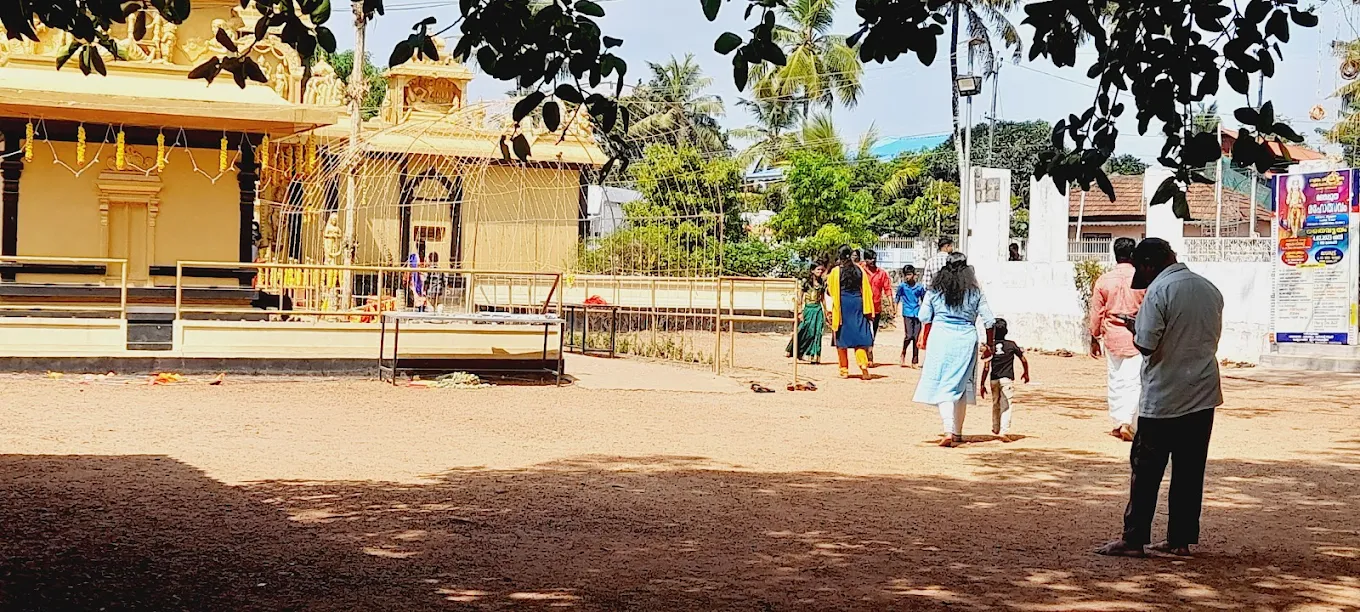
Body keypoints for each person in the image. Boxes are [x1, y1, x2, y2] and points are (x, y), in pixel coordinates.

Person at [1097, 238, 1224, 558]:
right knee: (1189, 470)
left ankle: (1134, 538)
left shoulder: (1159, 291)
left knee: (1146, 470)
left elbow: (1148, 345)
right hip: (1202, 393)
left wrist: (1136, 327)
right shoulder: (1209, 289)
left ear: (1150, 265)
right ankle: (1179, 539)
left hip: (1164, 395)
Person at [914, 252, 996, 447]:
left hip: (940, 338)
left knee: (944, 385)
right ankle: (958, 433)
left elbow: (924, 316)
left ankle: (948, 430)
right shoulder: (975, 292)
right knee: (961, 385)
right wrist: (990, 346)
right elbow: (990, 320)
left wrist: (925, 334)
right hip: (967, 339)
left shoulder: (935, 290)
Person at [1088, 237, 1146, 441]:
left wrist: (1094, 336)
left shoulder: (1104, 280)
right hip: (1138, 337)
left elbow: (1097, 312)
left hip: (1111, 336)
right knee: (1135, 381)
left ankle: (1118, 421)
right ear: (1133, 255)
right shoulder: (1144, 279)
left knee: (1116, 379)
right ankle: (1128, 422)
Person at [827, 246, 876, 379]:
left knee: (842, 338)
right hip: (858, 304)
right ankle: (863, 366)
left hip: (842, 305)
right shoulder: (860, 269)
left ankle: (844, 370)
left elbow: (830, 290)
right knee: (858, 338)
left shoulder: (836, 271)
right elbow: (866, 288)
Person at [979, 318, 1029, 442]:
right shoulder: (1011, 344)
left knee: (995, 403)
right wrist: (1025, 373)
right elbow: (1023, 359)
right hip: (1007, 379)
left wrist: (982, 384)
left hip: (994, 379)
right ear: (1006, 331)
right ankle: (1004, 431)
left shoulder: (990, 347)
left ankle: (995, 427)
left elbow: (986, 367)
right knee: (1006, 405)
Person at [786, 263, 828, 364]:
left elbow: (822, 298)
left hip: (817, 310)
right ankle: (793, 350)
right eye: (818, 270)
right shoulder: (806, 282)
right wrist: (799, 311)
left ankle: (814, 356)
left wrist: (826, 311)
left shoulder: (822, 282)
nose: (820, 272)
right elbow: (800, 297)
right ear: (812, 271)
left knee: (817, 332)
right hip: (808, 309)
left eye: (821, 270)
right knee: (804, 330)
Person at [863, 249, 893, 366]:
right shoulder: (860, 271)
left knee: (872, 332)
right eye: (870, 258)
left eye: (874, 258)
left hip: (876, 309)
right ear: (865, 260)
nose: (873, 260)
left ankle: (869, 350)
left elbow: (887, 290)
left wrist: (891, 305)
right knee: (865, 332)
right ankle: (867, 354)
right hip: (863, 308)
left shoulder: (882, 273)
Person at [896, 265, 927, 368]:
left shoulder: (919, 287)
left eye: (909, 274)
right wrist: (895, 308)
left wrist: (925, 312)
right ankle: (903, 351)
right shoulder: (902, 286)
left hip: (917, 313)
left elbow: (924, 299)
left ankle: (915, 360)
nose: (907, 277)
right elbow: (897, 297)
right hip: (907, 312)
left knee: (916, 337)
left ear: (914, 275)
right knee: (909, 335)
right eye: (906, 275)